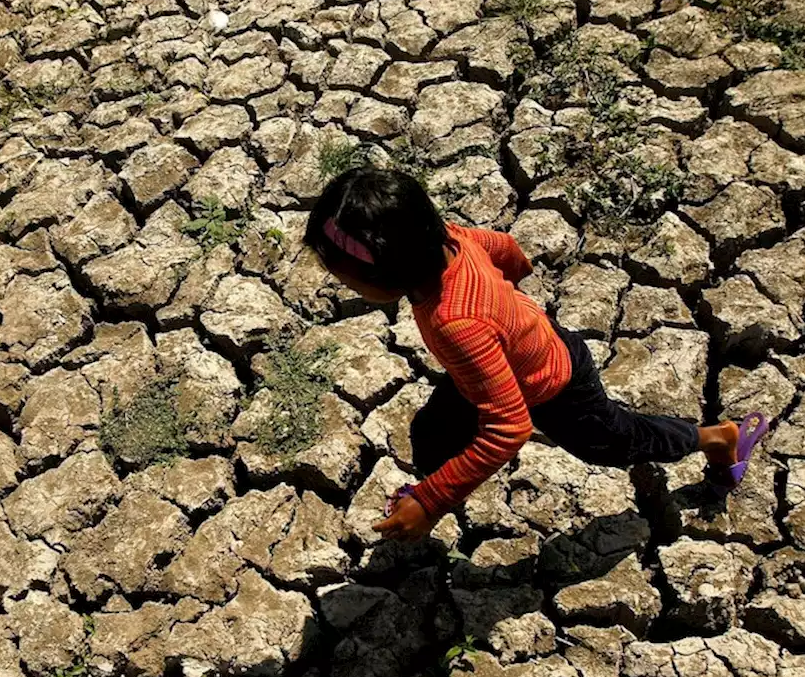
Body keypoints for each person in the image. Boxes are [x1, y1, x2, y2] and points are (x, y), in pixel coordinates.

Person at [304, 167, 769, 541]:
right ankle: (427, 494)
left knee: (618, 441)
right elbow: (507, 249)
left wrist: (433, 501)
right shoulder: (449, 239)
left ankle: (717, 438)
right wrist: (509, 302)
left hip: (556, 386)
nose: (343, 285)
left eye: (347, 279)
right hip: (508, 359)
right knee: (432, 430)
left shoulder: (456, 323)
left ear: (391, 274)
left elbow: (509, 429)